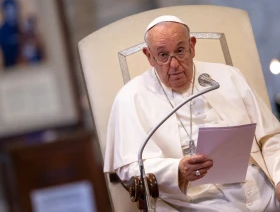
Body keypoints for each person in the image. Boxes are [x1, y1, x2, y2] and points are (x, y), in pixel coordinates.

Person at [104, 15, 280, 211]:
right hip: (197, 202)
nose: (174, 65)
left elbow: (271, 137)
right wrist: (177, 170)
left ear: (192, 46)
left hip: (262, 191)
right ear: (149, 56)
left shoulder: (228, 76)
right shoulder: (131, 97)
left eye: (180, 51)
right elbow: (129, 168)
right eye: (163, 55)